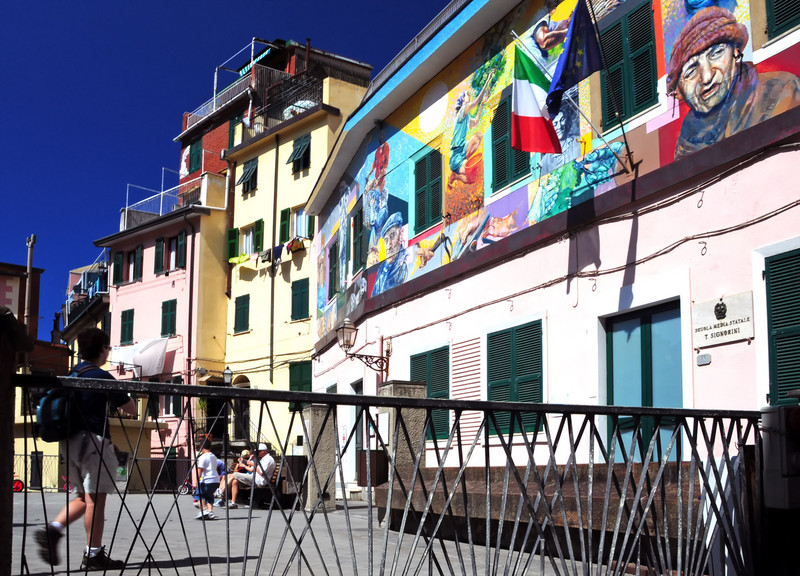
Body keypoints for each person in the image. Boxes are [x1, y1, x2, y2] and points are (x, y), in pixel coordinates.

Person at [35, 327, 136, 571]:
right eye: (108, 347)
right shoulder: (100, 376)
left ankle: (54, 529)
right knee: (96, 501)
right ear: (102, 349)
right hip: (93, 441)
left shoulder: (71, 374)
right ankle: (93, 554)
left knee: (84, 496)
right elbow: (131, 409)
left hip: (68, 443)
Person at [668, 6, 800, 159]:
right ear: (679, 92)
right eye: (691, 71)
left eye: (716, 53)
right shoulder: (686, 140)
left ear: (735, 52)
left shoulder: (782, 90)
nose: (707, 77)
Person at [448, 69, 495, 187]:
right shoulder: (462, 110)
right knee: (470, 179)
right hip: (456, 156)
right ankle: (455, 175)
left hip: (463, 149)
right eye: (466, 95)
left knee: (479, 135)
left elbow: (477, 121)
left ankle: (456, 174)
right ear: (462, 100)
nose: (468, 96)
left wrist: (483, 104)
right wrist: (488, 79)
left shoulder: (466, 117)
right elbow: (476, 100)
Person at [223, 443, 275, 508]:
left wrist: (252, 465)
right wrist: (247, 462)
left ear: (263, 451)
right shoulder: (263, 459)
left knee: (234, 474)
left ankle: (222, 491)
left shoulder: (268, 459)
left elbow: (262, 473)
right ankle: (233, 503)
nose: (257, 453)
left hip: (259, 481)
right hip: (254, 478)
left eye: (258, 452)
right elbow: (255, 469)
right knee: (235, 481)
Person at [371, 213, 409, 296]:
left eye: (392, 236)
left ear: (400, 235)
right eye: (386, 240)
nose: (388, 246)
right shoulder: (382, 268)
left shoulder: (404, 263)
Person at [194, 438, 219, 520]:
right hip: (215, 480)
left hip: (207, 480)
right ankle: (210, 512)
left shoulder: (203, 457)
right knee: (209, 495)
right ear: (210, 447)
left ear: (201, 447)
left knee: (199, 494)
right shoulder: (214, 456)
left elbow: (200, 470)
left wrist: (196, 482)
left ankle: (204, 510)